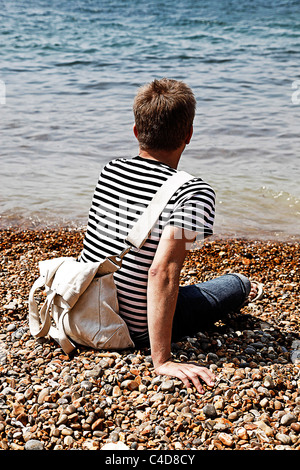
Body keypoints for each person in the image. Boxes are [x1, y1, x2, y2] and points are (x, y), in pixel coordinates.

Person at [80, 78, 259, 393]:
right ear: (189, 134)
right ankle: (245, 285)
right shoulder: (194, 191)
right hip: (134, 328)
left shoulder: (110, 169)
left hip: (89, 306)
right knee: (236, 285)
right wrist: (161, 361)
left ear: (136, 131)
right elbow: (161, 271)